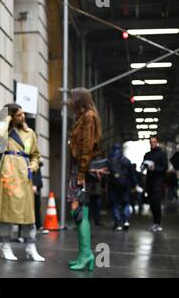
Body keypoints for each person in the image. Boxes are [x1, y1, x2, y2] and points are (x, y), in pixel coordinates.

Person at [0, 103, 45, 262]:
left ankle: (31, 247)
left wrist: (34, 165)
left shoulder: (30, 133)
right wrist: (6, 117)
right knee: (7, 213)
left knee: (29, 214)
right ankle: (6, 247)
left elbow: (36, 155)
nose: (23, 116)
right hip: (9, 175)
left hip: (24, 175)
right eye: (19, 114)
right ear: (12, 117)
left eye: (23, 114)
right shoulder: (5, 132)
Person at [67, 87, 104, 271]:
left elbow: (87, 148)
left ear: (79, 99)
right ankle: (84, 255)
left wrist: (80, 174)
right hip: (78, 169)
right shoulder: (83, 117)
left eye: (71, 98)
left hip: (81, 171)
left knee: (78, 209)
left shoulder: (88, 117)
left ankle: (87, 255)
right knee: (81, 210)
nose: (68, 101)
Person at [107, 143, 136, 231]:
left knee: (115, 205)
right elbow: (132, 175)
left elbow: (106, 175)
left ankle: (118, 223)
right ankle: (126, 221)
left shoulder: (109, 161)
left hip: (113, 186)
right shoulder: (126, 161)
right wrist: (134, 185)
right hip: (125, 186)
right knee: (125, 203)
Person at [142, 136, 168, 232]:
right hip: (149, 182)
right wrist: (143, 167)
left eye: (154, 142)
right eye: (151, 142)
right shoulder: (147, 155)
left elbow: (165, 167)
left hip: (158, 182)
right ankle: (155, 222)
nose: (152, 143)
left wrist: (155, 168)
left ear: (157, 142)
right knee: (152, 203)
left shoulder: (162, 154)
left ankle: (158, 223)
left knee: (157, 202)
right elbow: (143, 165)